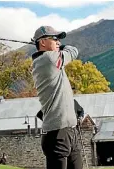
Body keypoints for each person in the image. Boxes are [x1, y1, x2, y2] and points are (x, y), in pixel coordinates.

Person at [31, 26, 83, 169]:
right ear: (42, 42)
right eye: (55, 38)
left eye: (59, 39)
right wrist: (64, 47)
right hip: (57, 133)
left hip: (69, 130)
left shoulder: (50, 59)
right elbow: (73, 51)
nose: (59, 42)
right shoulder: (48, 59)